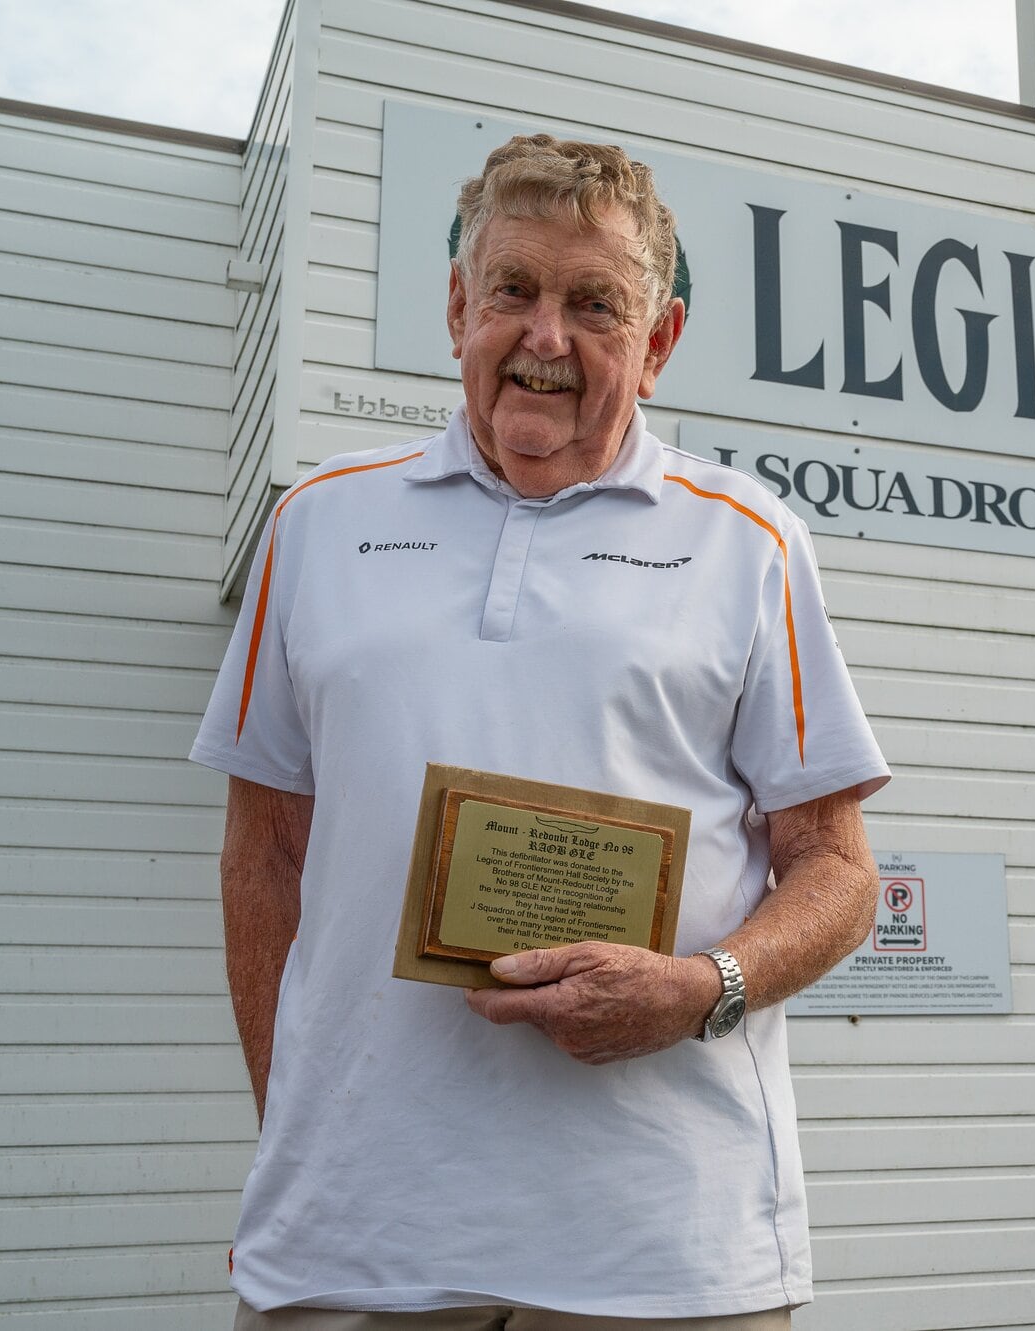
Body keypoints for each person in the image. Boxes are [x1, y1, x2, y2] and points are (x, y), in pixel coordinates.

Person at [191, 133, 889, 1329]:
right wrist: (294, 1150)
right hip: (355, 1249)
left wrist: (698, 985)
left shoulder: (747, 541)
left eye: (594, 303)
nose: (544, 337)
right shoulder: (319, 522)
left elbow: (834, 866)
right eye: (512, 289)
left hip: (665, 1251)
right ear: (458, 304)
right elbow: (264, 855)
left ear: (658, 342)